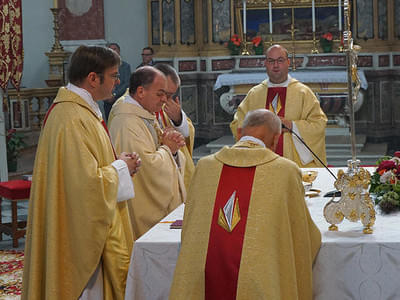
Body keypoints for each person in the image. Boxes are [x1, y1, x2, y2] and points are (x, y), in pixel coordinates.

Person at [22, 45, 141, 300]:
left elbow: (85, 166)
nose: (117, 82)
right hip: (80, 237)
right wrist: (121, 168)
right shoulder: (71, 117)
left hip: (83, 225)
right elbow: (84, 186)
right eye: (113, 76)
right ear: (93, 78)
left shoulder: (80, 110)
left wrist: (116, 161)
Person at [170, 109, 321, 300]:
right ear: (276, 139)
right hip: (260, 284)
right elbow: (303, 236)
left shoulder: (205, 166)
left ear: (239, 132)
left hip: (203, 279)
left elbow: (189, 226)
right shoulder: (286, 171)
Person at [108, 66, 186, 240]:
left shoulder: (143, 114)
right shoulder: (126, 121)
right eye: (160, 94)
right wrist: (169, 149)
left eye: (166, 94)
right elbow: (145, 168)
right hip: (141, 209)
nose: (164, 100)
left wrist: (171, 146)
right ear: (141, 91)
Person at [230, 44, 327, 168]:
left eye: (280, 60)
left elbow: (319, 124)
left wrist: (292, 126)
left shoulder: (303, 93)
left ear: (288, 62)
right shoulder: (255, 94)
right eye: (271, 61)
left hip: (295, 164)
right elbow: (238, 124)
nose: (275, 65)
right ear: (265, 63)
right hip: (260, 162)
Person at [154, 63, 195, 189]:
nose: (166, 99)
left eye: (171, 95)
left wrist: (178, 119)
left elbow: (189, 133)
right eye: (166, 94)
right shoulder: (128, 110)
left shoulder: (166, 104)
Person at [102, 42, 132, 121]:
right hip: (107, 100)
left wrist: (114, 95)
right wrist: (106, 95)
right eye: (110, 49)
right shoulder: (103, 66)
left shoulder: (125, 66)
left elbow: (126, 83)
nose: (112, 51)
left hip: (121, 100)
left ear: (119, 51)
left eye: (114, 49)